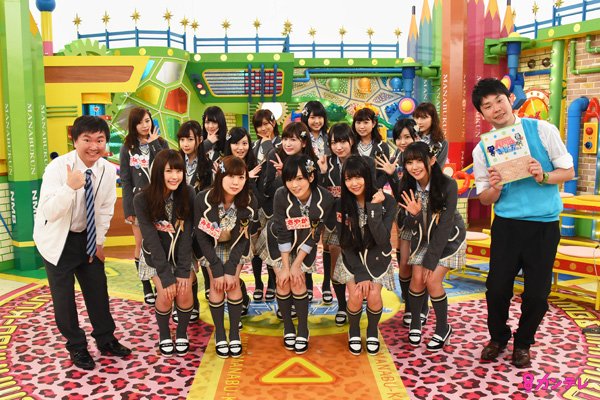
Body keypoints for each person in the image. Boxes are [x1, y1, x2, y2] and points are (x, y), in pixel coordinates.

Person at [471, 78, 574, 367]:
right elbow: (485, 198)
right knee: (496, 289)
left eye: (499, 100)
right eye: (487, 106)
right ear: (482, 114)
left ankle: (524, 342)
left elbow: (568, 172)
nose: (496, 108)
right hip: (507, 226)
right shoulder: (483, 149)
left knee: (538, 294)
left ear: (510, 99)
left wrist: (544, 176)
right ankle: (498, 338)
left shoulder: (542, 130)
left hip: (543, 226)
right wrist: (496, 187)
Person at [33, 115, 131, 370]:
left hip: (87, 237)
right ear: (74, 140)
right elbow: (49, 212)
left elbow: (105, 208)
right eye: (87, 139)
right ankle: (77, 346)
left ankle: (106, 339)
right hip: (58, 240)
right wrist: (69, 187)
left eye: (100, 140)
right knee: (64, 299)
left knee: (98, 290)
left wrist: (99, 241)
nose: (94, 146)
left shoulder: (107, 170)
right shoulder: (58, 168)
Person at [260, 154, 334, 354]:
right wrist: (286, 266)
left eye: (300, 178)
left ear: (311, 176)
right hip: (278, 240)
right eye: (290, 179)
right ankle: (288, 327)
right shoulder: (281, 195)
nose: (294, 185)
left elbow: (315, 233)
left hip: (305, 242)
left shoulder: (325, 198)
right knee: (283, 281)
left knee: (299, 281)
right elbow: (281, 230)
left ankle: (302, 329)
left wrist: (297, 264)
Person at [400, 142, 466, 352]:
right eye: (409, 162)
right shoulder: (407, 186)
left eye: (419, 160)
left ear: (432, 160)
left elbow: (445, 226)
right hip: (422, 238)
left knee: (432, 280)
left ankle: (443, 328)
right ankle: (416, 322)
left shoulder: (448, 185)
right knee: (417, 278)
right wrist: (414, 216)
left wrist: (430, 260)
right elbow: (404, 224)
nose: (414, 167)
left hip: (449, 240)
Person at [195, 156, 258, 358]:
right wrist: (216, 268)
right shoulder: (202, 199)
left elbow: (243, 238)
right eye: (230, 176)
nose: (235, 182)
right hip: (210, 246)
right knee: (216, 285)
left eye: (241, 177)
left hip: (236, 247)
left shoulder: (249, 201)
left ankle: (234, 333)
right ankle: (220, 333)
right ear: (220, 175)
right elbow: (201, 236)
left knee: (232, 284)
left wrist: (230, 269)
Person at [134, 149, 195, 356]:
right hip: (155, 257)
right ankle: (164, 333)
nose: (175, 176)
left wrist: (183, 271)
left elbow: (187, 235)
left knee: (184, 292)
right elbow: (151, 240)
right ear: (159, 172)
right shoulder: (142, 199)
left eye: (179, 171)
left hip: (181, 254)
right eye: (169, 171)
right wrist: (167, 277)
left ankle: (181, 332)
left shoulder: (188, 193)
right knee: (166, 294)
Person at [335, 155, 397, 355]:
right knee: (355, 295)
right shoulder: (341, 204)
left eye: (358, 177)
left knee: (373, 295)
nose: (353, 183)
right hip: (352, 258)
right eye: (348, 179)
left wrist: (374, 208)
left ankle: (371, 331)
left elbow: (382, 239)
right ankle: (353, 330)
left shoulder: (387, 202)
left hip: (377, 257)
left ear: (368, 177)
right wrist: (360, 273)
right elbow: (345, 242)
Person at [260, 121, 318, 302]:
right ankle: (277, 287)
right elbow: (267, 189)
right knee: (280, 256)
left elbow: (316, 190)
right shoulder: (274, 155)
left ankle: (306, 286)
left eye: (293, 139)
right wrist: (283, 176)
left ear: (304, 142)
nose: (287, 143)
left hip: (304, 218)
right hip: (281, 215)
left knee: (302, 256)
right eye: (285, 139)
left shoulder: (310, 161)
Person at [119, 107, 169, 305]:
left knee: (161, 242)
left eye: (147, 120)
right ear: (133, 125)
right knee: (140, 244)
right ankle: (146, 286)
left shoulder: (161, 143)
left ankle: (161, 281)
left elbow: (166, 166)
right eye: (140, 122)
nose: (144, 125)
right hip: (138, 203)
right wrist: (128, 209)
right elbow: (125, 180)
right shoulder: (127, 147)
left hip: (161, 202)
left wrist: (154, 144)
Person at [375, 118, 422, 325]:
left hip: (424, 217)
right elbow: (398, 193)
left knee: (421, 263)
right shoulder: (394, 159)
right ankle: (409, 306)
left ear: (416, 137)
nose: (403, 142)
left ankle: (421, 306)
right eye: (399, 138)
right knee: (404, 262)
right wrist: (391, 175)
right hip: (403, 218)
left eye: (407, 137)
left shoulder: (423, 159)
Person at [177, 120, 213, 309]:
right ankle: (192, 305)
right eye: (182, 139)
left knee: (207, 259)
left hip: (201, 220)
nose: (186, 144)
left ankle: (211, 289)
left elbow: (210, 196)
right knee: (186, 263)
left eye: (190, 139)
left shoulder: (207, 165)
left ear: (199, 139)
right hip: (181, 221)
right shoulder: (174, 162)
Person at [250, 109, 280, 301]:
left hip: (273, 202)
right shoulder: (253, 146)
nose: (263, 128)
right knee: (254, 245)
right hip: (255, 201)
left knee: (270, 243)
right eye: (259, 125)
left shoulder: (281, 145)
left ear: (274, 123)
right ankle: (258, 283)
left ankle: (271, 283)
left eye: (266, 123)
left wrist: (269, 144)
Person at [352, 107, 390, 188]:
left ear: (373, 124)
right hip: (353, 188)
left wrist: (374, 188)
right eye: (358, 122)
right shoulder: (351, 145)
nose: (361, 126)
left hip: (375, 191)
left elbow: (384, 173)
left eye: (366, 122)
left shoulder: (383, 147)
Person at [413, 102, 449, 167]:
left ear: (433, 119)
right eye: (416, 118)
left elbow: (439, 167)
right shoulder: (410, 137)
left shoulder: (442, 142)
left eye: (423, 118)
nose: (419, 122)